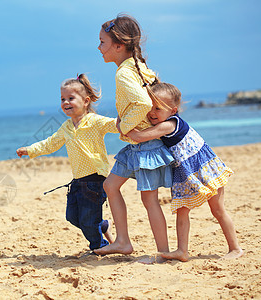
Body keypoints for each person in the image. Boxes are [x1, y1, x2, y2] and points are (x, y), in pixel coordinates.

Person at [126, 82, 244, 261]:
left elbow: (138, 136)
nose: (152, 112)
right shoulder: (165, 121)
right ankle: (182, 251)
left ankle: (235, 248)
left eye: (158, 108)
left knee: (218, 210)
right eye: (150, 107)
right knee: (182, 210)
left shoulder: (169, 125)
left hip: (204, 169)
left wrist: (123, 123)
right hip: (185, 173)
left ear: (173, 111)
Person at [94, 14, 175, 262]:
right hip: (137, 146)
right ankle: (123, 241)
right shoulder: (138, 67)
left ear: (119, 46)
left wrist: (125, 127)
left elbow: (141, 101)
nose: (99, 47)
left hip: (144, 145)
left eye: (102, 42)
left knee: (149, 200)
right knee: (110, 186)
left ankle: (163, 252)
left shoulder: (124, 73)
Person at [16, 74, 118, 251]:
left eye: (71, 98)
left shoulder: (94, 121)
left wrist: (132, 121)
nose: (66, 102)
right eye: (63, 99)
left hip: (95, 179)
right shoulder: (67, 127)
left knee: (87, 220)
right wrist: (30, 150)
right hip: (77, 180)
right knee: (72, 216)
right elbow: (51, 143)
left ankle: (99, 247)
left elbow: (115, 125)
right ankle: (101, 226)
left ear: (86, 101)